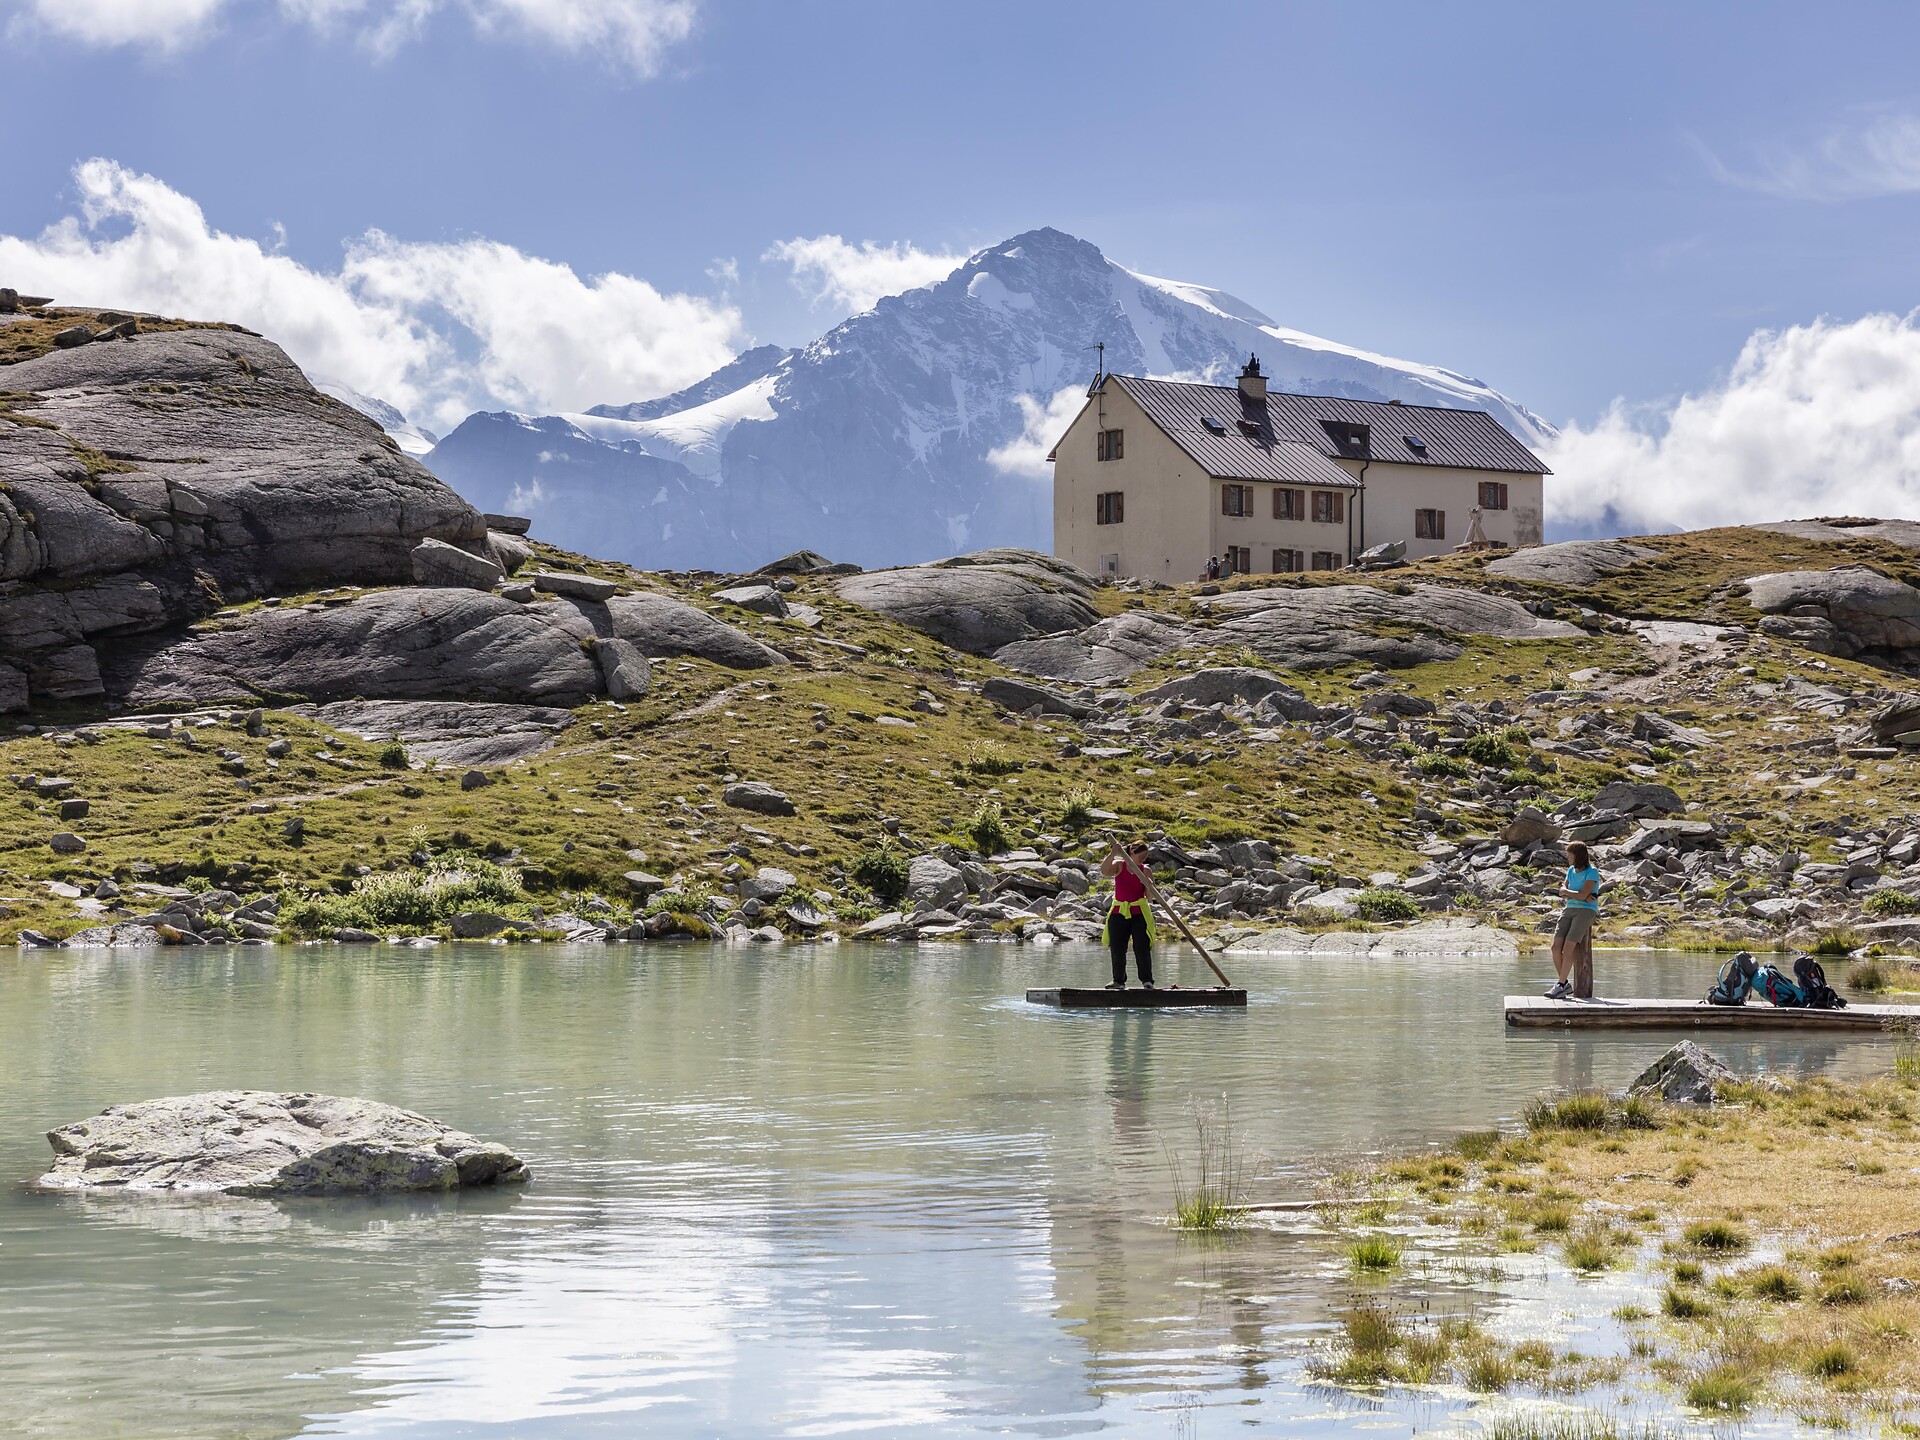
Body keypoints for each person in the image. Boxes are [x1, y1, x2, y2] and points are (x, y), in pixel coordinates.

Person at [1100, 839, 1157, 989]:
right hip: (1119, 912)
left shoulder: (1146, 870)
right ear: (1132, 852)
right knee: (1117, 948)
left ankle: (1147, 981)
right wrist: (1113, 853)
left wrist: (1149, 886)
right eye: (1141, 856)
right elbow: (1104, 871)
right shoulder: (1120, 865)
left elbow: (1149, 897)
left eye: (1145, 857)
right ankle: (1118, 981)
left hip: (1139, 913)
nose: (1143, 859)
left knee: (1142, 947)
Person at [1547, 840, 1600, 999]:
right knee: (1555, 947)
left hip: (1586, 911)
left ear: (1578, 855)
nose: (1567, 857)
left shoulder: (1592, 872)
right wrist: (1576, 894)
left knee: (1568, 948)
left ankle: (1560, 985)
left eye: (1569, 854)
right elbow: (1562, 891)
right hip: (1569, 909)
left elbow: (1580, 895)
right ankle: (1564, 984)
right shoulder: (1570, 870)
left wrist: (1571, 893)